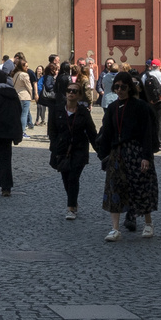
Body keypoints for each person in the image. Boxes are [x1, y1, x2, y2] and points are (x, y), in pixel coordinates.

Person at [93, 71, 158, 241]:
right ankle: (115, 229)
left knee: (141, 188)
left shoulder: (141, 107)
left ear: (130, 87)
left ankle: (148, 223)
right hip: (118, 153)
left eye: (123, 86)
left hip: (136, 152)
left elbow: (147, 133)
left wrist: (146, 156)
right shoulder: (113, 108)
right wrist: (103, 155)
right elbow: (106, 132)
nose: (119, 90)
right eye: (117, 87)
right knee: (115, 188)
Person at [49, 79, 97, 220]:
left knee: (73, 177)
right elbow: (52, 132)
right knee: (65, 177)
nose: (71, 93)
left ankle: (70, 208)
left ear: (79, 96)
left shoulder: (83, 112)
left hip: (79, 149)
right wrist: (55, 148)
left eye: (74, 91)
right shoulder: (57, 110)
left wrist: (100, 151)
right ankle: (73, 201)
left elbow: (91, 132)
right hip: (62, 149)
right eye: (69, 91)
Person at [0, 69, 23, 196]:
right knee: (5, 161)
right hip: (7, 131)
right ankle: (6, 188)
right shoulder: (12, 93)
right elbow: (18, 111)